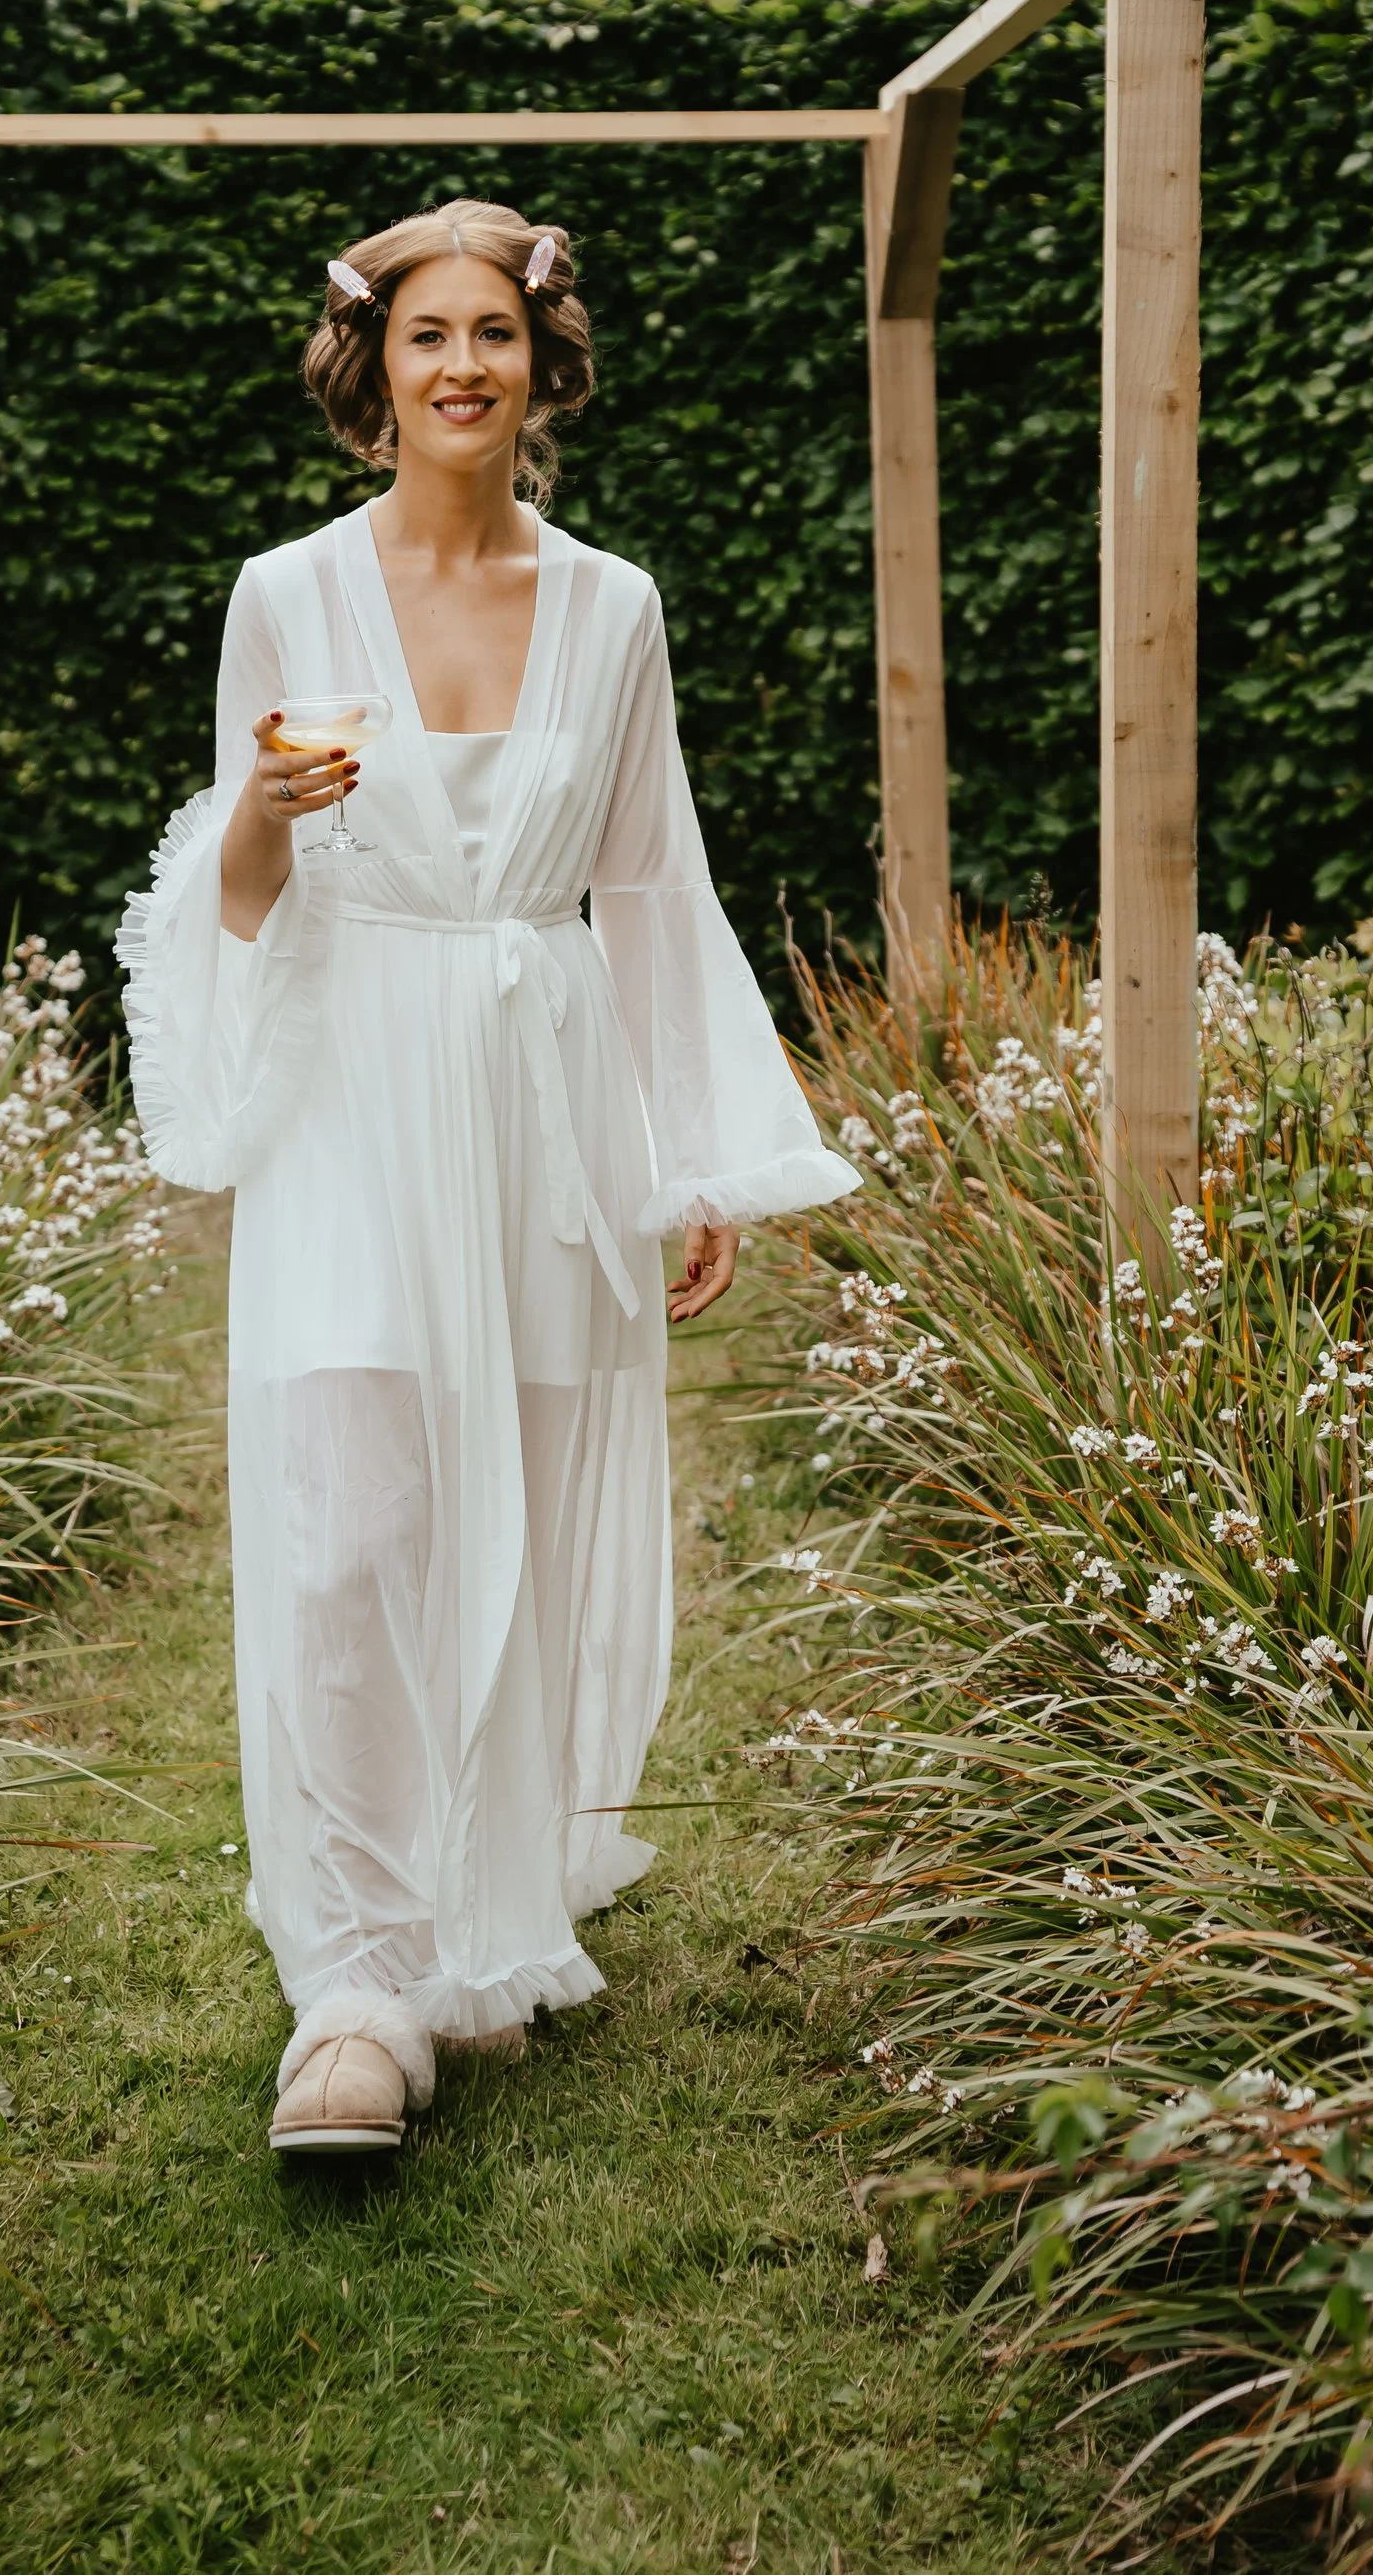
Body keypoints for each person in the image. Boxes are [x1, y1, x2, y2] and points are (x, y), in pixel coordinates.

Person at [117, 198, 855, 2155]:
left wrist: (684, 1156)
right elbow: (237, 895)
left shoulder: (613, 608)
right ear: (376, 367)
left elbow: (649, 884)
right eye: (427, 333)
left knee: (514, 1522)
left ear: (541, 365)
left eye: (493, 334)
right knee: (349, 1524)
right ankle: (356, 1988)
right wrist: (265, 813)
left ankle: (479, 1915)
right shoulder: (285, 591)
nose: (462, 365)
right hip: (353, 1095)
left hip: (541, 1101)